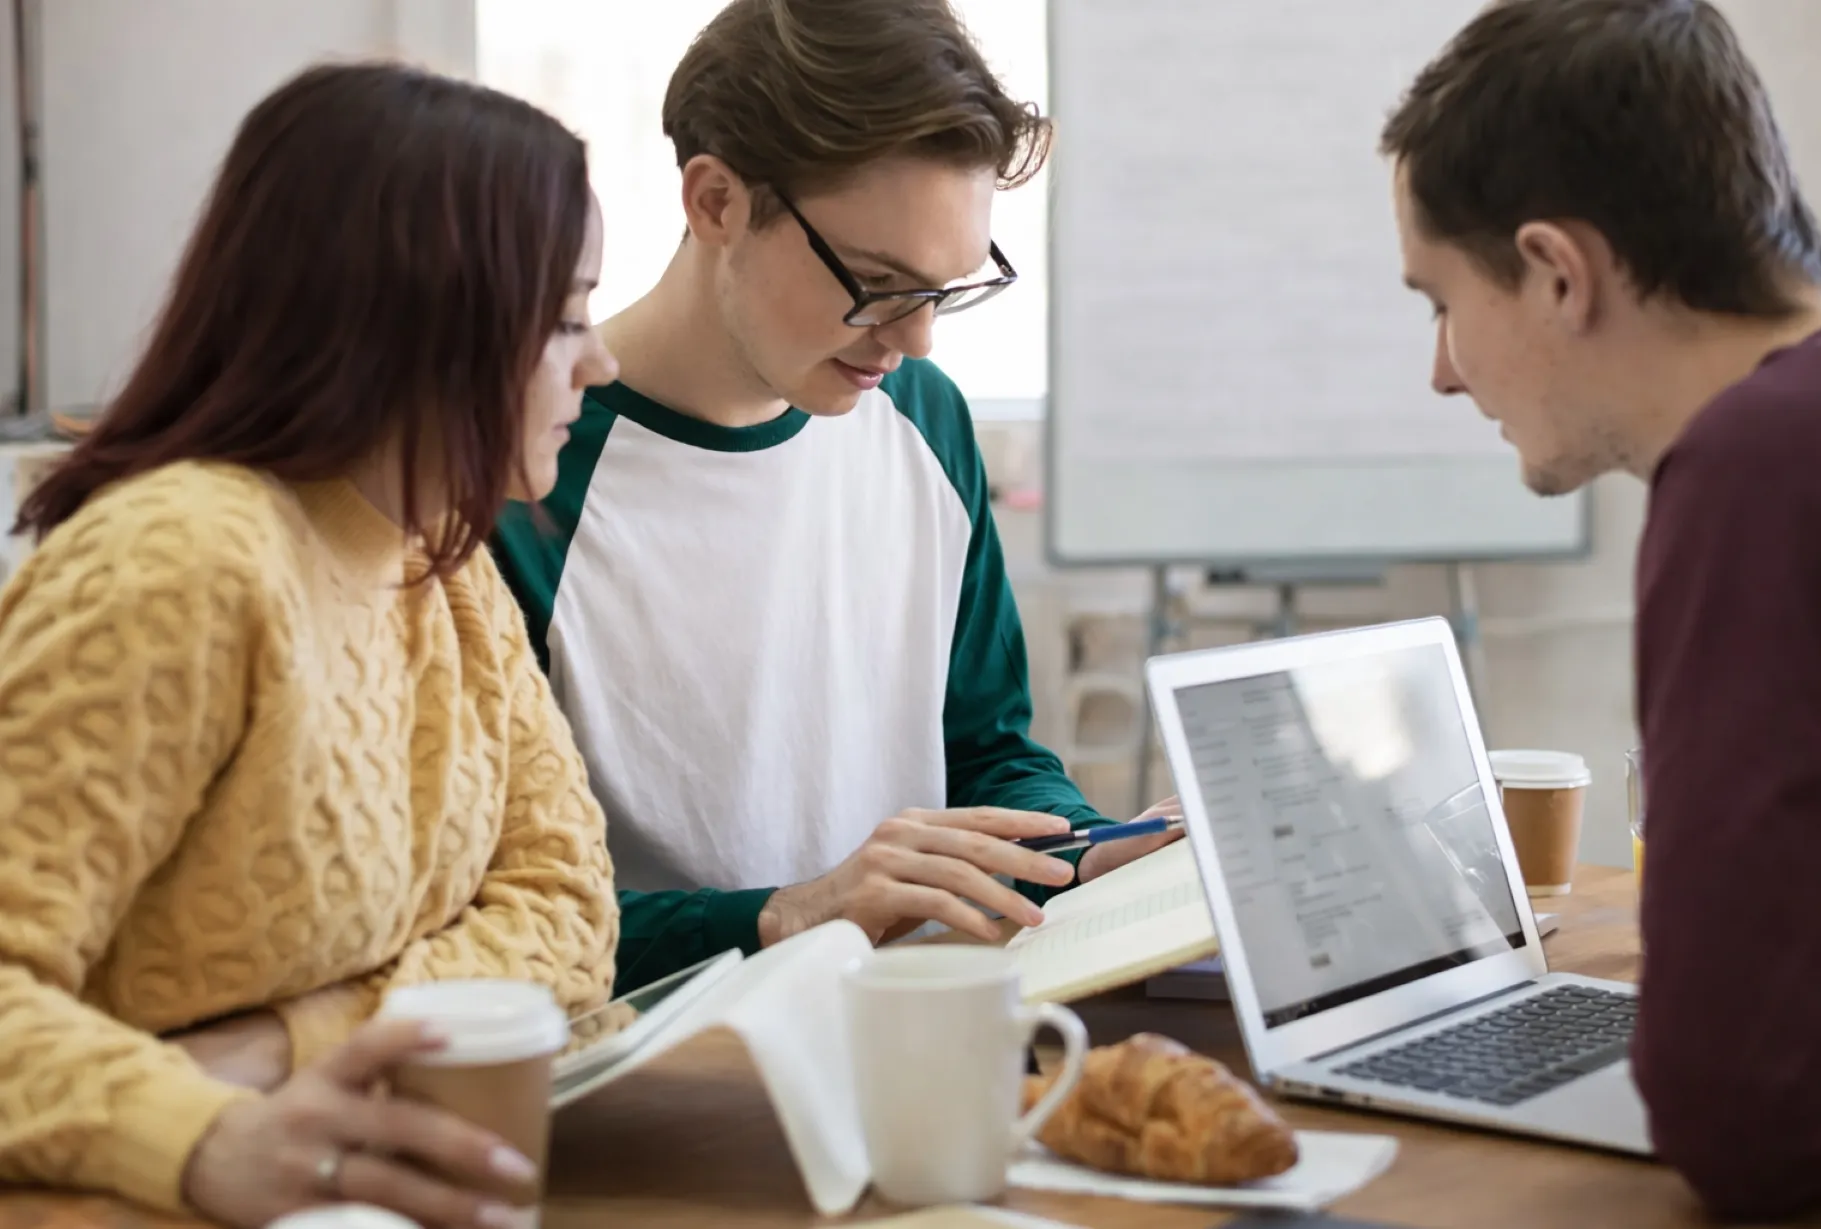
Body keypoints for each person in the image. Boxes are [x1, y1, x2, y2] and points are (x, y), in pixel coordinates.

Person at [0, 63, 621, 1228]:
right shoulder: (181, 562)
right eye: (570, 315)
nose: (600, 364)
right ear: (428, 313)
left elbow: (568, 908)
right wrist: (204, 1131)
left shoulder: (446, 553)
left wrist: (281, 1046)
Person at [493, 0, 1176, 996]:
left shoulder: (924, 421)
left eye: (944, 290)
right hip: (656, 1088)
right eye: (873, 282)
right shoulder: (523, 476)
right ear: (716, 201)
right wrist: (789, 915)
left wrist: (1081, 851)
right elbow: (480, 916)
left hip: (906, 1042)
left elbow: (986, 752)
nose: (913, 342)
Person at [1382, 0, 1821, 1218]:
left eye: (1440, 299)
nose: (1440, 368)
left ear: (1555, 272)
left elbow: (1744, 1111)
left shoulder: (1758, 471)